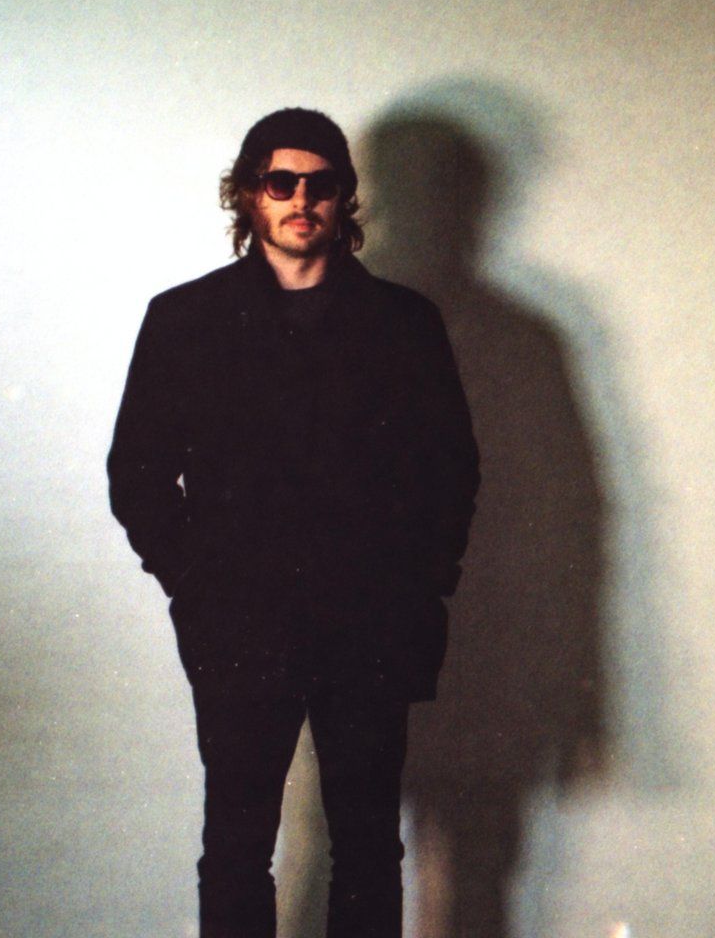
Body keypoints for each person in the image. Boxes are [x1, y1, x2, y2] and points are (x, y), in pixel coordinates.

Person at [107, 107, 480, 938]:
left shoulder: (405, 323)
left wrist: (420, 587)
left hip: (371, 625)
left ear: (345, 196)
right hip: (239, 625)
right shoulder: (185, 319)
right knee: (237, 846)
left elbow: (451, 471)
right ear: (249, 193)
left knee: (369, 846)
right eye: (281, 182)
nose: (301, 200)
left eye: (321, 184)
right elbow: (136, 474)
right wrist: (198, 585)